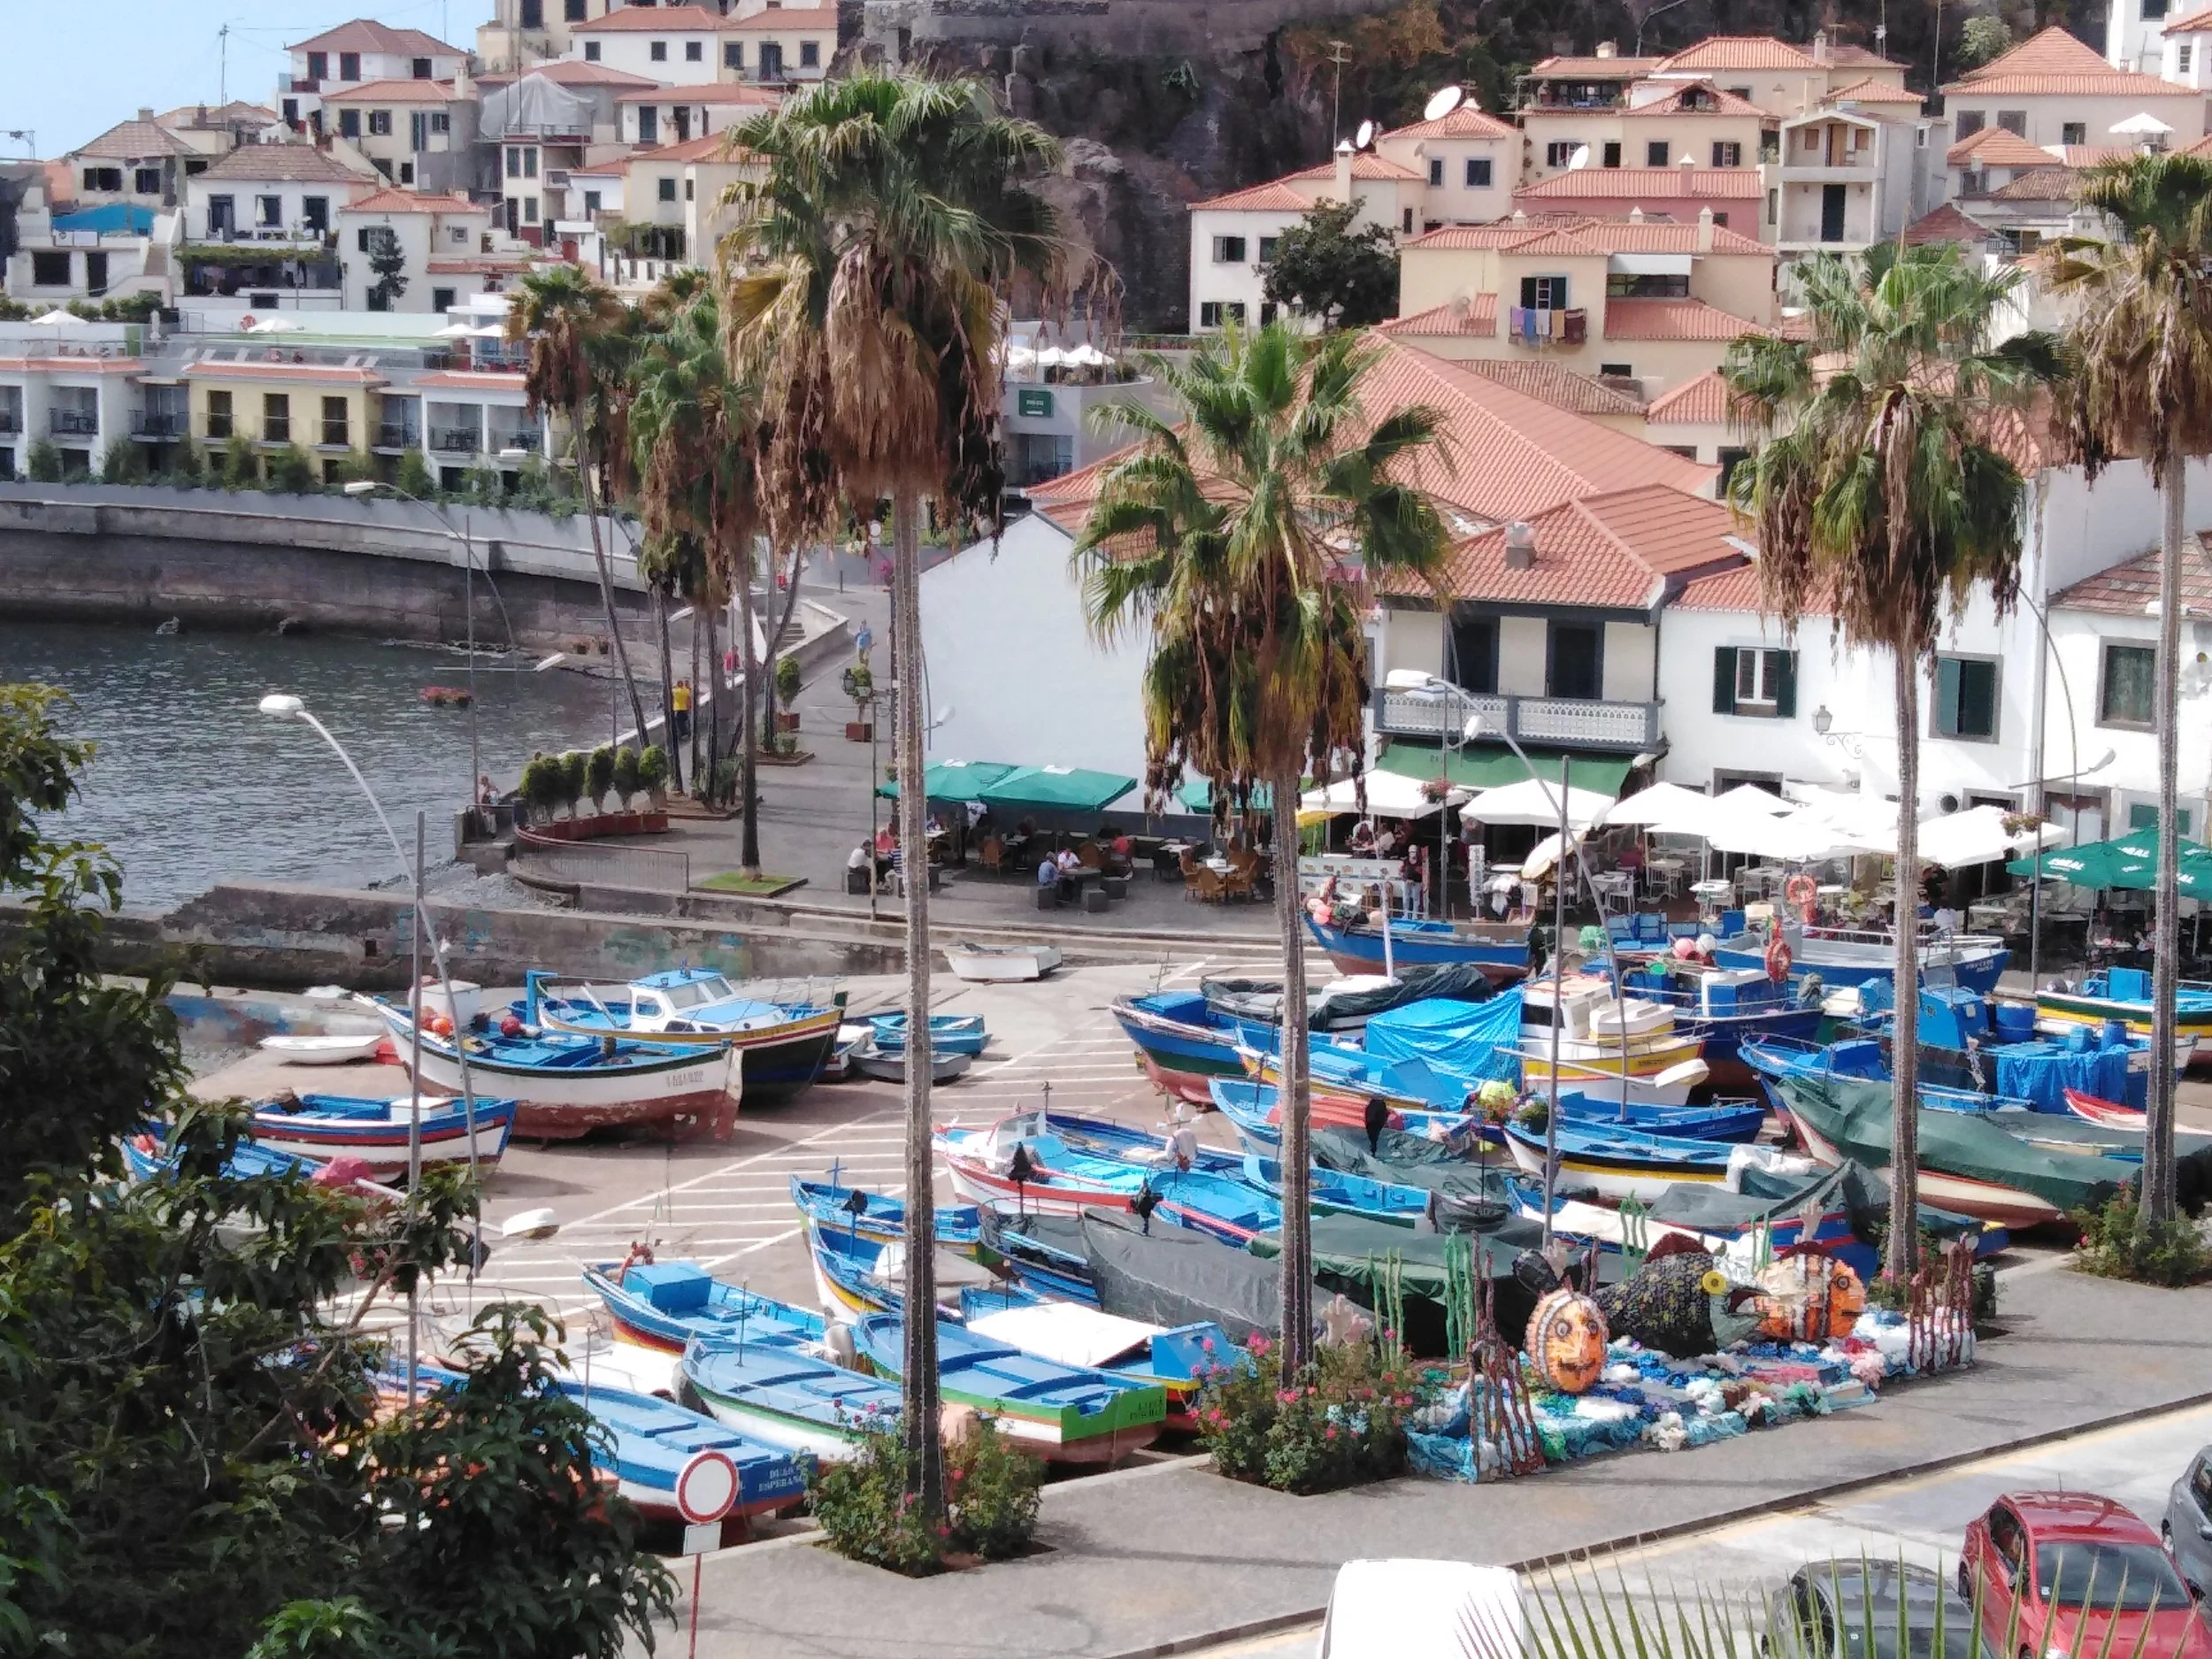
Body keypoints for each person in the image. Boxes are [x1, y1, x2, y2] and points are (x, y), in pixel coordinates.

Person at [671, 679, 694, 744]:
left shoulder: (675, 691)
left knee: (680, 724)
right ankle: (688, 734)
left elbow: (672, 689)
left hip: (677, 709)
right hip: (685, 709)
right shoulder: (685, 691)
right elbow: (689, 692)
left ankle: (683, 735)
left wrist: (674, 686)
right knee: (685, 722)